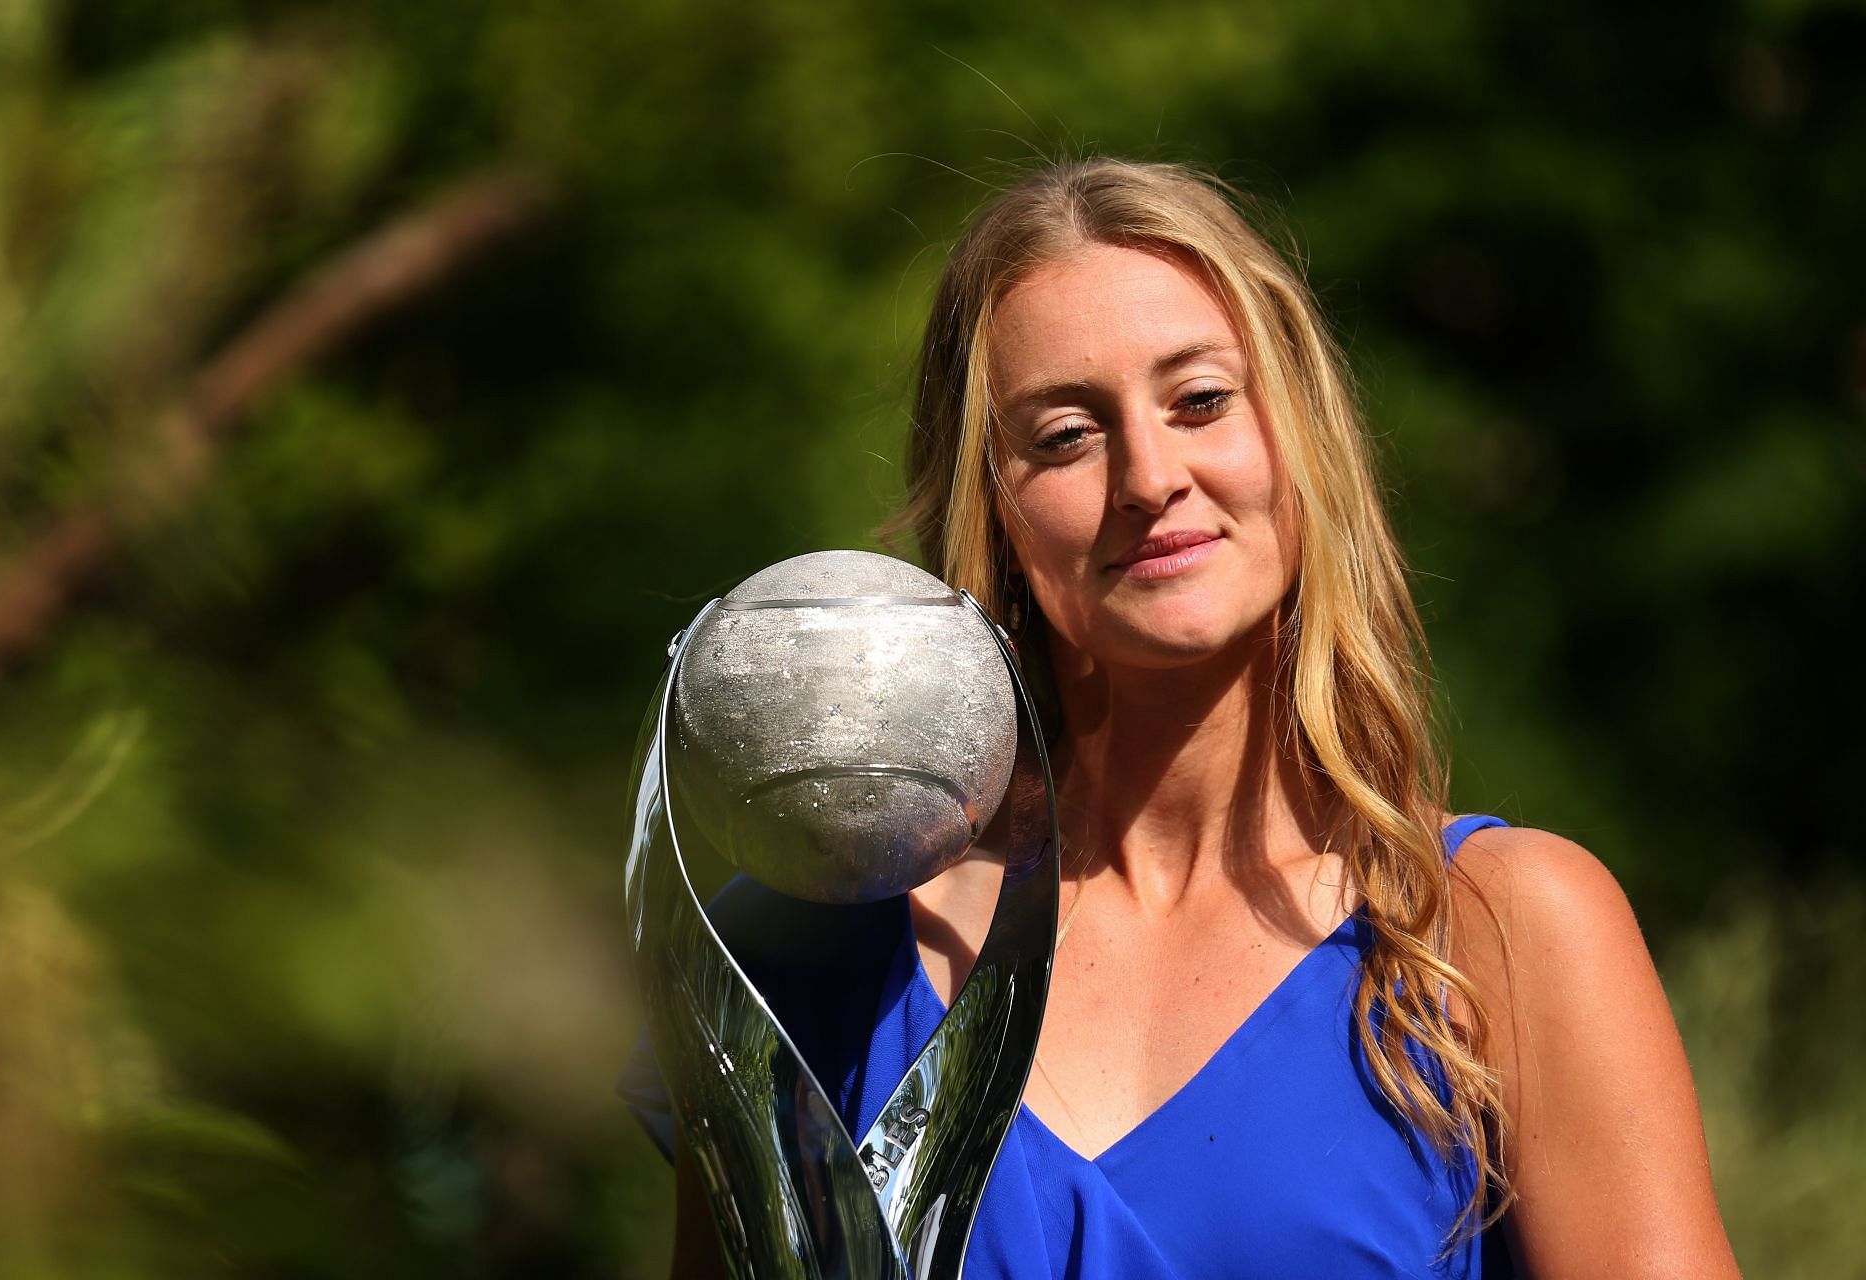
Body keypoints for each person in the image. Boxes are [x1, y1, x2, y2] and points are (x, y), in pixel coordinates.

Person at [624, 157, 1741, 1278]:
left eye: (1200, 400)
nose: (1150, 475)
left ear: (1297, 437)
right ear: (993, 503)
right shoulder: (817, 948)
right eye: (1065, 434)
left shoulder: (1500, 929)